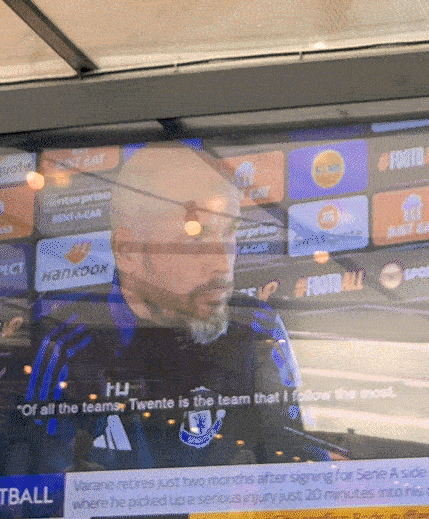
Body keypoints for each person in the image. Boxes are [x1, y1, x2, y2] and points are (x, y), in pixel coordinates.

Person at [22, 143, 330, 469]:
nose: (222, 264)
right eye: (195, 236)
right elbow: (41, 484)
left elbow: (299, 461)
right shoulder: (67, 344)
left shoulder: (256, 327)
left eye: (230, 231)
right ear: (128, 250)